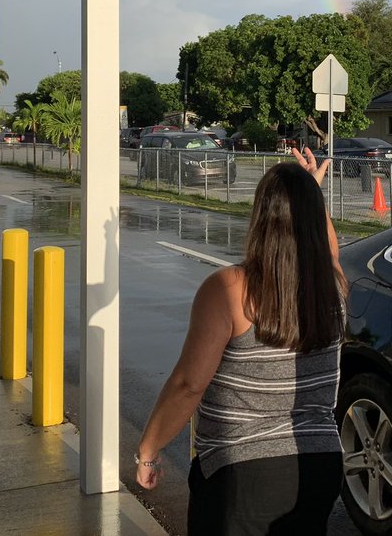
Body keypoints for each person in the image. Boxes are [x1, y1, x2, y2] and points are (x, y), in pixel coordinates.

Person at [136, 148, 346, 535]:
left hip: (243, 473)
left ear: (261, 217)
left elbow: (189, 384)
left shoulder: (231, 289)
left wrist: (148, 450)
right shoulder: (332, 286)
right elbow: (329, 252)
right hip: (318, 463)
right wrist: (311, 196)